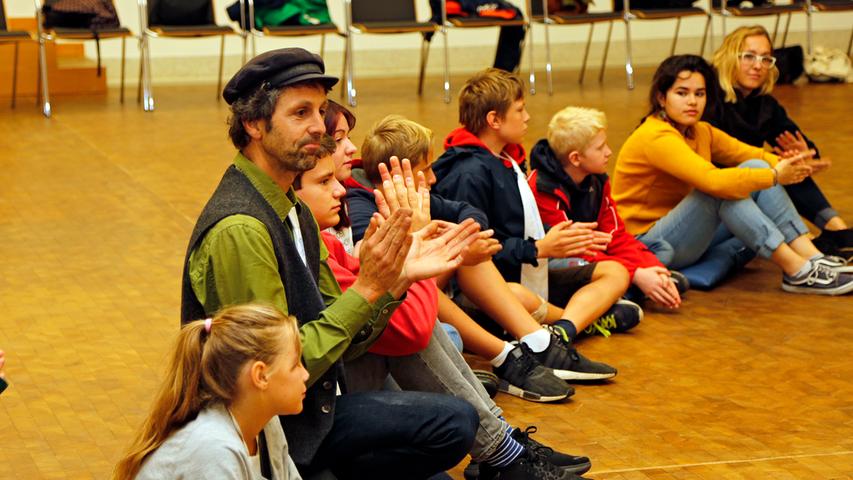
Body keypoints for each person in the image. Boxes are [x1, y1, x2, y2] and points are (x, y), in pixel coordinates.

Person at [180, 47, 479, 479]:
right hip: (270, 435)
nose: (319, 127)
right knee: (450, 425)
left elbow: (340, 338)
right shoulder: (240, 229)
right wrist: (368, 288)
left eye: (320, 111)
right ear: (254, 124)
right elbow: (269, 371)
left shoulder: (293, 208)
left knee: (454, 428)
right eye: (301, 112)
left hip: (309, 411)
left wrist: (395, 280)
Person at [295, 152, 593, 480]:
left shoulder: (323, 239)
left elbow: (474, 221)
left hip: (409, 343)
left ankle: (507, 423)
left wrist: (436, 251)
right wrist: (417, 254)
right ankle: (514, 379)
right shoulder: (361, 211)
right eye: (325, 181)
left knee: (452, 296)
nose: (341, 188)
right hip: (325, 403)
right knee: (424, 340)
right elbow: (410, 328)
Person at [431, 67, 635, 360]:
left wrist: (551, 243)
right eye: (520, 109)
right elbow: (476, 255)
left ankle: (565, 327)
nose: (527, 117)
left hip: (528, 268)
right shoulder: (468, 173)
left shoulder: (505, 156)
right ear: (494, 120)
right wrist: (539, 248)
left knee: (614, 271)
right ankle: (578, 321)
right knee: (516, 295)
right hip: (496, 287)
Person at [610, 54, 853, 296]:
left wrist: (792, 164)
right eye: (682, 93)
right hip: (648, 244)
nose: (692, 102)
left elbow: (750, 155)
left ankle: (813, 258)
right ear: (661, 98)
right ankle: (797, 270)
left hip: (684, 231)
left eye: (699, 93)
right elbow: (712, 182)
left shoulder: (701, 131)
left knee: (755, 168)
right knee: (719, 191)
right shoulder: (655, 136)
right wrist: (776, 176)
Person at [707, 25, 853, 260]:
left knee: (789, 161)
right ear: (729, 57)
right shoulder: (708, 98)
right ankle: (808, 246)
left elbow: (792, 136)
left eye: (766, 59)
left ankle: (838, 229)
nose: (758, 65)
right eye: (749, 56)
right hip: (717, 197)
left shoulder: (762, 103)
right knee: (773, 168)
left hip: (747, 187)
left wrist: (807, 153)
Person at [114, 305, 306, 479]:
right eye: (295, 365)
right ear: (260, 375)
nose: (305, 374)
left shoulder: (267, 425)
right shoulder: (214, 449)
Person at [529, 106, 685, 311]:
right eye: (600, 147)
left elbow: (616, 235)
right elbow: (572, 250)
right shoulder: (543, 189)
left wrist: (651, 269)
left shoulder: (598, 180)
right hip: (559, 260)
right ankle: (618, 293)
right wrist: (636, 273)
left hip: (598, 253)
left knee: (660, 250)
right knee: (578, 264)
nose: (609, 152)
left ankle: (627, 290)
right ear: (576, 158)